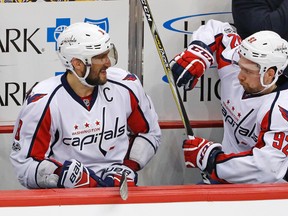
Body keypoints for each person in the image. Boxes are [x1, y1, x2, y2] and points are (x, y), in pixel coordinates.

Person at [10, 22, 161, 189]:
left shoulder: (126, 85)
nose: (108, 63)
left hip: (119, 189)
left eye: (108, 54)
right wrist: (61, 175)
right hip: (66, 198)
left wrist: (126, 167)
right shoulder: (43, 101)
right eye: (100, 57)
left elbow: (149, 132)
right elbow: (25, 163)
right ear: (77, 63)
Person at [170, 19, 288, 183]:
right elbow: (217, 28)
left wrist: (211, 158)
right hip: (222, 178)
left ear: (270, 74)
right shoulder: (236, 64)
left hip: (263, 192)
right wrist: (198, 53)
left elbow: (267, 169)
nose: (239, 75)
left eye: (248, 71)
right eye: (240, 67)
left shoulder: (281, 109)